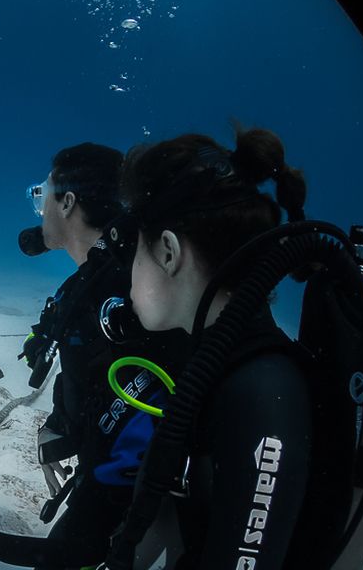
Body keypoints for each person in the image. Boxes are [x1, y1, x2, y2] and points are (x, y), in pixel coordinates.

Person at [0, 143, 189, 569]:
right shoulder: (93, 284)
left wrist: (92, 514)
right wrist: (61, 426)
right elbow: (99, 380)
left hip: (142, 496)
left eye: (41, 197)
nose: (39, 210)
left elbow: (154, 399)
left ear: (67, 202)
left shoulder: (122, 290)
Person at [102, 128, 314, 568]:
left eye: (133, 251)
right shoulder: (220, 358)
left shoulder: (260, 394)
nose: (129, 272)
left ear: (167, 252)